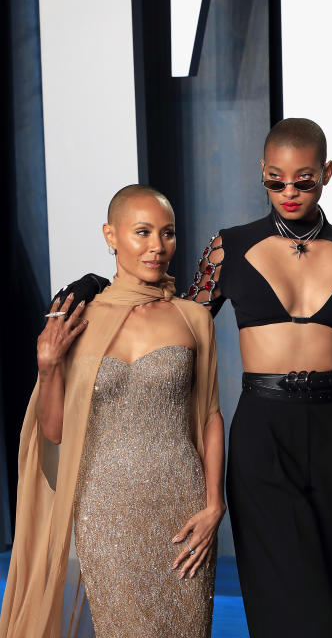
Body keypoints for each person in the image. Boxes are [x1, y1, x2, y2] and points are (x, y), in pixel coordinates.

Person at [183, 118, 332, 636]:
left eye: (303, 180)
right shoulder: (227, 248)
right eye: (275, 180)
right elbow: (180, 328)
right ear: (262, 172)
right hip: (262, 433)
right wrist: (109, 293)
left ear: (326, 173)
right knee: (291, 604)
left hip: (330, 433)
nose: (288, 192)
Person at [0, 185, 224, 637]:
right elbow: (55, 431)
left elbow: (210, 417)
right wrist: (47, 368)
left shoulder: (191, 316)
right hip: (104, 509)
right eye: (142, 232)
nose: (157, 247)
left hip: (183, 505)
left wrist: (215, 504)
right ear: (111, 234)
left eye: (168, 233)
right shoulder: (77, 320)